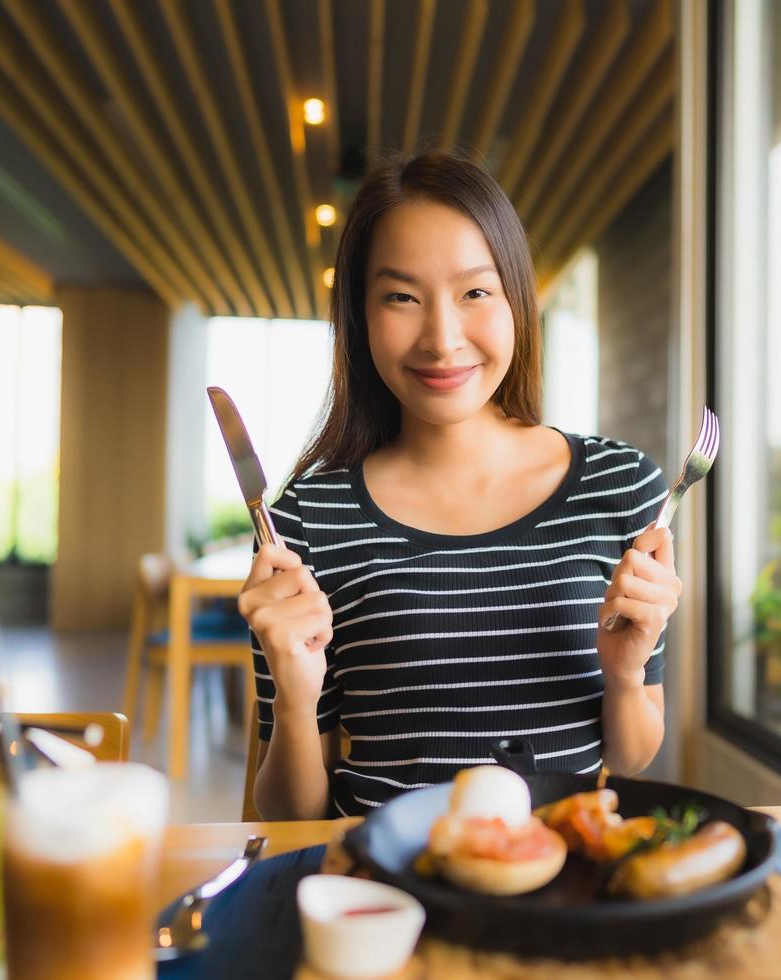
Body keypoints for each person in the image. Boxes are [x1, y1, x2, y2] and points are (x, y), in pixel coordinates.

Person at [238, 153, 681, 819]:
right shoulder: (305, 524)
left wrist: (624, 675)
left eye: (475, 292)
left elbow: (634, 753)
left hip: (558, 890)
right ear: (360, 316)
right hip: (391, 896)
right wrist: (297, 700)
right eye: (401, 297)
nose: (443, 340)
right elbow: (288, 819)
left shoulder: (620, 486)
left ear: (516, 303)